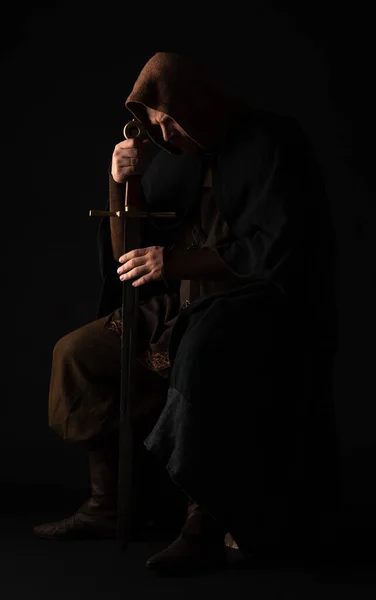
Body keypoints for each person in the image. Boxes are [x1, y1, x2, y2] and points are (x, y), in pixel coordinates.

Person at [32, 52, 338, 574]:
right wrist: (119, 181)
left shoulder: (271, 141)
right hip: (180, 302)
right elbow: (131, 253)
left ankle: (204, 523)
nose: (161, 131)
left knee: (201, 354)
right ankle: (109, 507)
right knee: (77, 354)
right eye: (153, 123)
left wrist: (175, 261)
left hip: (251, 302)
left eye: (167, 119)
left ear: (196, 106)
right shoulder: (172, 157)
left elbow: (280, 250)